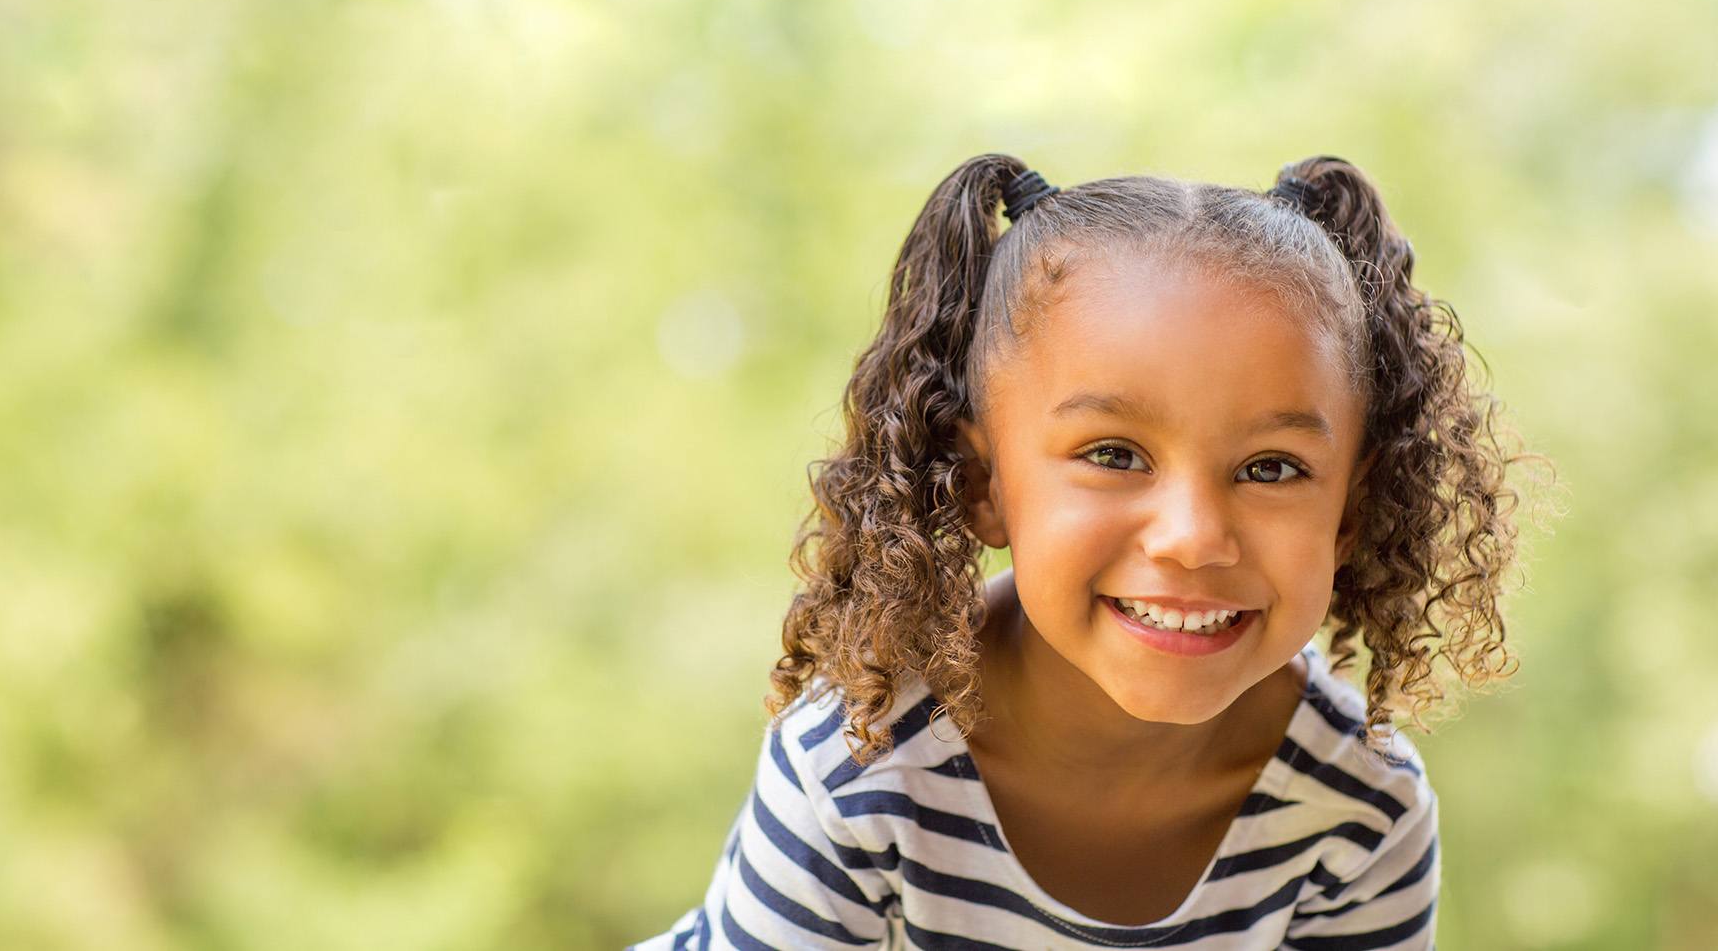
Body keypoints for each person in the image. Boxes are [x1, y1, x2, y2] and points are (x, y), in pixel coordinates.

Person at [631, 153, 1529, 949]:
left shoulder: (1363, 811)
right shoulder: (857, 759)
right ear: (982, 483)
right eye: (1113, 454)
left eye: (1270, 466)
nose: (1192, 537)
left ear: (1351, 510)